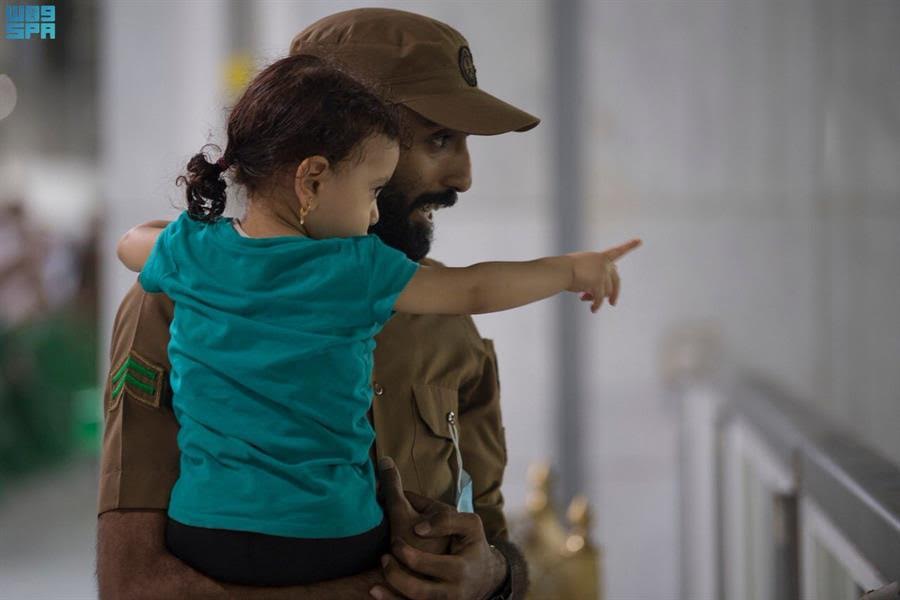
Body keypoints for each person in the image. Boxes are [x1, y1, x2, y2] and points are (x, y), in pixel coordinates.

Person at [96, 8, 639, 599]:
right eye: (437, 138)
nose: (463, 175)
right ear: (323, 154)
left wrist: (492, 574)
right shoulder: (177, 300)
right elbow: (137, 584)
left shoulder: (446, 317)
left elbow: (493, 529)